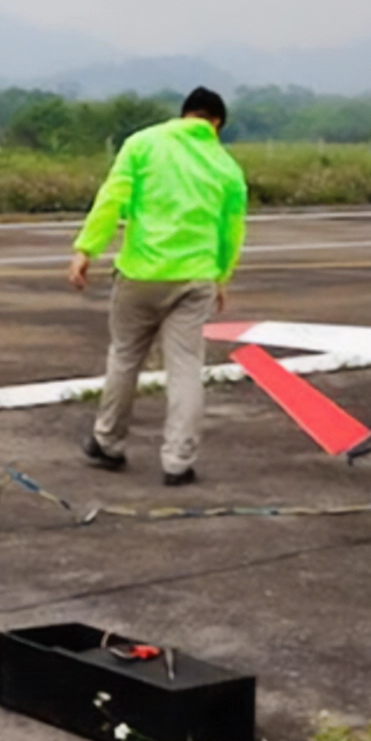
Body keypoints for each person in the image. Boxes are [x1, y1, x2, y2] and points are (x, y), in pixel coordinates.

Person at [67, 87, 248, 487]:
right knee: (185, 369)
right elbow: (231, 232)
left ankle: (108, 442)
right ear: (215, 123)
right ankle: (178, 462)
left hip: (140, 273)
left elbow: (112, 200)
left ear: (184, 114)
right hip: (196, 277)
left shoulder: (143, 143)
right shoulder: (226, 166)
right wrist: (221, 277)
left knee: (126, 357)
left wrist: (86, 250)